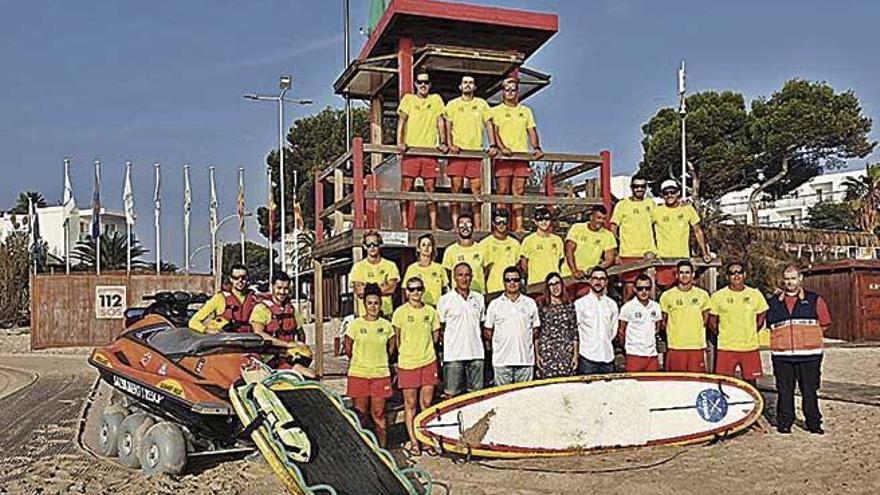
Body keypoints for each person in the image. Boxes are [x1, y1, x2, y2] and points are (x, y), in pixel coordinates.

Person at [766, 264, 831, 434]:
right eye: (787, 279)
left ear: (800, 279)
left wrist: (807, 338)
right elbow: (769, 325)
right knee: (784, 390)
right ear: (783, 280)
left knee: (809, 390)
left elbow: (824, 323)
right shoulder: (773, 302)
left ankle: (814, 423)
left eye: (793, 279)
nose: (790, 283)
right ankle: (785, 422)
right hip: (782, 355)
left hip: (809, 355)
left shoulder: (814, 299)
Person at [392, 277, 441, 456]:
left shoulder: (431, 311)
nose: (415, 293)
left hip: (428, 361)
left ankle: (425, 440)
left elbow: (435, 336)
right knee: (410, 404)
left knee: (426, 404)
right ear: (406, 292)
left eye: (418, 289)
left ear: (423, 290)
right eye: (411, 289)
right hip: (408, 363)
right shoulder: (400, 312)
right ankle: (413, 441)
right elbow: (396, 339)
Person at [344, 283, 396, 447]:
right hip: (359, 374)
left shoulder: (386, 326)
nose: (373, 307)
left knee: (379, 413)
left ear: (380, 304)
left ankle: (382, 448)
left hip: (380, 375)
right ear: (364, 304)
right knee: (361, 414)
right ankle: (362, 449)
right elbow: (348, 348)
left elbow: (391, 348)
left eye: (376, 303)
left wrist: (378, 361)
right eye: (370, 303)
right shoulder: (355, 325)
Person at [490, 77, 544, 231]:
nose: (510, 93)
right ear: (502, 92)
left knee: (519, 192)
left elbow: (531, 130)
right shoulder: (496, 111)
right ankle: (502, 225)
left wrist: (537, 147)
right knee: (502, 191)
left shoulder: (525, 111)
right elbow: (495, 131)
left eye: (513, 90)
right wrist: (502, 148)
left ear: (517, 92)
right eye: (507, 90)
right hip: (504, 157)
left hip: (521, 156)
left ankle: (519, 226)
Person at [397, 71, 447, 230]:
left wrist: (443, 141)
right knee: (406, 188)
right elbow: (402, 121)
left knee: (430, 189)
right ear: (415, 84)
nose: (423, 85)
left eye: (426, 82)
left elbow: (440, 121)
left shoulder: (436, 99)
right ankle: (404, 224)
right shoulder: (408, 99)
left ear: (430, 84)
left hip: (430, 152)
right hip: (411, 151)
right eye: (420, 82)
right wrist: (400, 141)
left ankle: (433, 225)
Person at [446, 75, 496, 230]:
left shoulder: (481, 104)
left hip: (475, 153)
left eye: (471, 83)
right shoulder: (452, 104)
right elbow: (447, 125)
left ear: (474, 87)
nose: (467, 85)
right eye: (465, 83)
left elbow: (489, 124)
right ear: (460, 87)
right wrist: (449, 144)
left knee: (477, 191)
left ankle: (479, 225)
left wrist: (493, 144)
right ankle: (455, 226)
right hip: (458, 153)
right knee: (456, 190)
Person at [708, 262, 769, 385]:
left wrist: (751, 330)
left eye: (739, 272)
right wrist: (723, 334)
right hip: (726, 347)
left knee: (751, 383)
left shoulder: (755, 294)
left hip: (749, 346)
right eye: (732, 273)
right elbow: (712, 321)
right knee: (724, 383)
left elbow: (761, 315)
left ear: (744, 274)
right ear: (727, 277)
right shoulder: (718, 296)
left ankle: (751, 404)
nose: (736, 275)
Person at [483, 267, 540, 385]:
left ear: (521, 282)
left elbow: (535, 329)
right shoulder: (495, 304)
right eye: (508, 280)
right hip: (502, 362)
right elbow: (488, 331)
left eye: (515, 279)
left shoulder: (530, 303)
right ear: (504, 282)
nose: (512, 283)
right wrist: (502, 341)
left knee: (524, 398)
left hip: (525, 361)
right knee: (502, 399)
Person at [436, 262, 486, 397]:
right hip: (454, 355)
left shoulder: (479, 298)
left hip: (476, 354)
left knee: (476, 397)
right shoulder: (444, 300)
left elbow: (481, 324)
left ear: (471, 277)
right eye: (460, 275)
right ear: (454, 277)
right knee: (451, 396)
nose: (464, 279)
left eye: (467, 275)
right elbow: (441, 328)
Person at [652, 179, 711, 287]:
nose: (669, 195)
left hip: (683, 259)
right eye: (666, 193)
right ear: (662, 195)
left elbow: (698, 231)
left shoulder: (688, 209)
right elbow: (645, 230)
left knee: (684, 289)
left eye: (672, 192)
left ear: (678, 192)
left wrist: (705, 252)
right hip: (662, 259)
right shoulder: (656, 211)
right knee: (665, 292)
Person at [659, 260, 712, 372]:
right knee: (676, 383)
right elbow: (663, 321)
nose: (684, 275)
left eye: (687, 272)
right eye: (681, 272)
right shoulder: (667, 296)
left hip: (696, 346)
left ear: (692, 274)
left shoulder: (703, 295)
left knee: (696, 382)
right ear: (677, 275)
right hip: (675, 346)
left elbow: (705, 319)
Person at [610, 177, 656, 300]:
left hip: (648, 254)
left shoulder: (651, 204)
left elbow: (659, 226)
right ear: (631, 188)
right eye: (636, 186)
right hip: (628, 254)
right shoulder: (622, 205)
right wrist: (615, 253)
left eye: (642, 186)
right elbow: (613, 229)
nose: (639, 189)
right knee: (629, 292)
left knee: (649, 292)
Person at [573, 266, 619, 374]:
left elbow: (613, 330)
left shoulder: (612, 304)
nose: (598, 282)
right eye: (595, 278)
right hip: (587, 357)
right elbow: (575, 330)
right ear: (590, 280)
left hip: (607, 357)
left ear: (606, 282)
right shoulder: (580, 304)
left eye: (602, 279)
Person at [188, 263, 258, 333]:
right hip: (225, 339)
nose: (240, 281)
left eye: (243, 278)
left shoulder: (255, 298)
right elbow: (193, 322)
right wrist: (207, 330)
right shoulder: (220, 298)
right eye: (236, 278)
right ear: (231, 279)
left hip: (249, 339)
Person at [535, 272, 578, 378]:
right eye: (551, 284)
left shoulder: (569, 306)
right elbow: (537, 333)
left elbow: (574, 332)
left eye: (557, 283)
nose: (555, 287)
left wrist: (575, 355)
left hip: (566, 353)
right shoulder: (543, 307)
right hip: (547, 353)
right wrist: (537, 355)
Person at [618, 274, 663, 372]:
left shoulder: (656, 306)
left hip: (652, 355)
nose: (644, 291)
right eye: (640, 288)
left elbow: (657, 328)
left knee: (651, 385)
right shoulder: (628, 307)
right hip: (634, 354)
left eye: (647, 288)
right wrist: (628, 348)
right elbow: (621, 331)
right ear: (634, 289)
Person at [350, 231, 399, 317]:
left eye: (375, 244)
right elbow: (358, 291)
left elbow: (391, 289)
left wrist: (367, 287)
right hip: (364, 316)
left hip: (385, 314)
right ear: (364, 246)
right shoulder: (358, 267)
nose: (372, 247)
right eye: (369, 245)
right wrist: (382, 286)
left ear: (380, 245)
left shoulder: (390, 265)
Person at [249, 272, 305, 347]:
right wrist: (286, 344)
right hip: (269, 353)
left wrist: (300, 346)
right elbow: (259, 334)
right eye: (279, 288)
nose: (282, 292)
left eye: (286, 288)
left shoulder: (291, 309)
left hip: (289, 352)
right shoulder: (261, 308)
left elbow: (301, 333)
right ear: (272, 287)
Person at [562, 206, 617, 280]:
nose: (601, 221)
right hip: (568, 273)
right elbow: (569, 251)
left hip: (589, 276)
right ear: (591, 217)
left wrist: (596, 269)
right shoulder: (577, 228)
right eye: (599, 218)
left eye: (603, 219)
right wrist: (574, 270)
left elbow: (609, 259)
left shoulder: (608, 235)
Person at [479, 209, 521, 293]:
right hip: (492, 289)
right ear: (493, 223)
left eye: (504, 222)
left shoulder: (515, 244)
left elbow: (519, 268)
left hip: (511, 290)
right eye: (498, 222)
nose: (501, 225)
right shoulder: (484, 244)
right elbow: (482, 271)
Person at [441, 214, 486, 293]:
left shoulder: (482, 248)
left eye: (468, 224)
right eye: (462, 225)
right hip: (458, 297)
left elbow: (487, 271)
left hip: (478, 295)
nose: (465, 227)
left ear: (473, 227)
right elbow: (447, 274)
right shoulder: (450, 251)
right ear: (457, 228)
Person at [520, 207, 564, 286]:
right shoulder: (528, 240)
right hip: (535, 282)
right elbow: (524, 264)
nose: (544, 222)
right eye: (540, 219)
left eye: (546, 219)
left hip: (553, 283)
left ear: (550, 221)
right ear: (535, 222)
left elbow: (561, 261)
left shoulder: (558, 240)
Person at [403, 233, 448, 307]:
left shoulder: (439, 268)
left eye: (429, 245)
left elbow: (445, 291)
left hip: (437, 308)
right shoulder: (411, 269)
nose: (426, 247)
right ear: (418, 248)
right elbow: (405, 292)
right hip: (418, 308)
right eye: (423, 245)